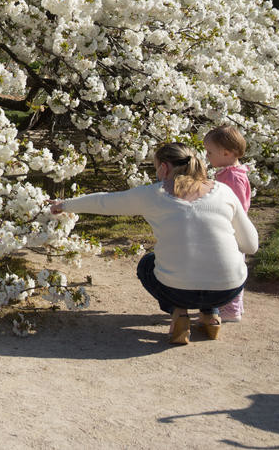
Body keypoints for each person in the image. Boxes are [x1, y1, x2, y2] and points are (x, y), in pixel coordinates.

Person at [49, 143, 258, 345]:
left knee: (147, 264)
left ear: (164, 167)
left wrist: (64, 205)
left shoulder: (154, 193)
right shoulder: (223, 191)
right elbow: (251, 246)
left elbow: (104, 202)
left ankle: (179, 313)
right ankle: (210, 315)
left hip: (178, 290)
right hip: (227, 290)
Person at [204, 125, 251, 322]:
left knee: (231, 268)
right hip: (229, 229)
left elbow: (236, 206)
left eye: (209, 152)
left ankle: (232, 309)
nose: (207, 156)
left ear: (226, 152)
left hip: (231, 231)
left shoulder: (232, 176)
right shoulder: (228, 173)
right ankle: (232, 306)